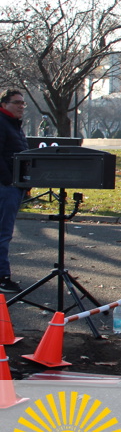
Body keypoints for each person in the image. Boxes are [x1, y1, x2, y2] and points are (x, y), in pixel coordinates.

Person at [0, 89, 28, 294]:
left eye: (23, 103)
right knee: (3, 233)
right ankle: (2, 277)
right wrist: (9, 181)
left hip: (14, 186)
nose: (21, 106)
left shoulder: (14, 125)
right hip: (6, 187)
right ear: (4, 104)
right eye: (17, 102)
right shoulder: (3, 123)